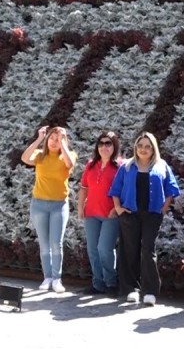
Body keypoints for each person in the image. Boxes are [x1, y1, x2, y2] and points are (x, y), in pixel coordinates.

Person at [109, 132, 180, 306]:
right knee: (129, 250)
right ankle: (132, 289)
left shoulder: (161, 166)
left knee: (148, 250)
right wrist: (118, 208)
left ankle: (150, 291)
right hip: (129, 213)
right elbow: (115, 189)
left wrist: (163, 208)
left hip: (152, 215)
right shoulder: (126, 166)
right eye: (140, 146)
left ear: (153, 148)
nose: (143, 149)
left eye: (148, 146)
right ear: (136, 147)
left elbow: (171, 189)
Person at [21, 125, 77, 293]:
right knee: (44, 243)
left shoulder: (69, 155)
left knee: (56, 243)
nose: (54, 142)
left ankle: (57, 278)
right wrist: (39, 138)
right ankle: (47, 277)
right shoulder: (40, 156)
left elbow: (69, 163)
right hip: (39, 204)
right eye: (51, 138)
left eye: (58, 139)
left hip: (59, 205)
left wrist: (63, 142)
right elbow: (25, 157)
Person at [77, 131, 121, 296]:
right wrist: (80, 207)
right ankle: (98, 284)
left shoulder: (121, 166)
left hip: (110, 215)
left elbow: (125, 190)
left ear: (114, 145)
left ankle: (111, 283)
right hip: (91, 214)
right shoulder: (91, 165)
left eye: (108, 143)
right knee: (93, 250)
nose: (104, 146)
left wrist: (117, 208)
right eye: (101, 143)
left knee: (104, 249)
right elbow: (84, 188)